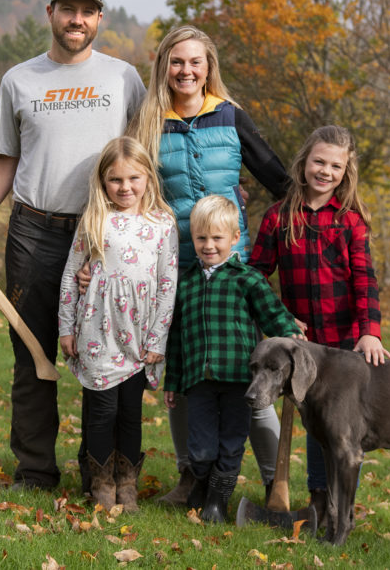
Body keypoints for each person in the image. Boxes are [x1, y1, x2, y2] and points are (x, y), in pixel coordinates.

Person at [0, 0, 146, 491]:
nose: (77, 20)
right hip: (35, 231)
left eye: (88, 11)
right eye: (68, 9)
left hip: (104, 234)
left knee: (106, 356)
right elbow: (6, 156)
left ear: (100, 18)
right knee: (33, 353)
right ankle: (34, 472)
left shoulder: (124, 78)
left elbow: (143, 158)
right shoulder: (19, 79)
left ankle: (98, 472)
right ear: (50, 12)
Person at [125, 25, 291, 505]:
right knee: (187, 375)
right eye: (177, 62)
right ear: (163, 67)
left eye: (195, 61)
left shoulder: (230, 117)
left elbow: (278, 180)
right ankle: (190, 479)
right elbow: (129, 188)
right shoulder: (148, 122)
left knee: (250, 374)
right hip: (175, 264)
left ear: (208, 66)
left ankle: (273, 482)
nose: (186, 70)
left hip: (231, 267)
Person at [248, 124, 390, 525]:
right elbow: (257, 274)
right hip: (300, 345)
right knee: (314, 420)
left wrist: (370, 332)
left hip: (344, 345)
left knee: (340, 425)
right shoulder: (279, 217)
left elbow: (364, 280)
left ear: (346, 172)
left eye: (335, 166)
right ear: (303, 162)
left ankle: (339, 505)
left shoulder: (351, 221)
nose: (325, 172)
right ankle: (317, 500)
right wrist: (277, 317)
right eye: (319, 162)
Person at [162, 194, 304, 523]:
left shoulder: (247, 280)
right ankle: (199, 486)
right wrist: (173, 382)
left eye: (217, 238)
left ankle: (216, 503)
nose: (209, 245)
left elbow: (272, 315)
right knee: (200, 448)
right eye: (201, 238)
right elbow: (177, 340)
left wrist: (290, 335)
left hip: (240, 382)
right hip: (198, 383)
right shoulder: (186, 285)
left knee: (231, 445)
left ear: (234, 238)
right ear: (192, 239)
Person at [58, 136, 178, 511]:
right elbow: (69, 276)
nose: (125, 187)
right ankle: (101, 483)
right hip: (97, 331)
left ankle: (127, 483)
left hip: (139, 333)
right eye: (116, 180)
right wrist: (66, 327)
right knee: (101, 411)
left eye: (133, 179)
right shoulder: (95, 219)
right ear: (103, 182)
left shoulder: (162, 222)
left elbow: (167, 283)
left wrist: (157, 338)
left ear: (148, 179)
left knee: (130, 412)